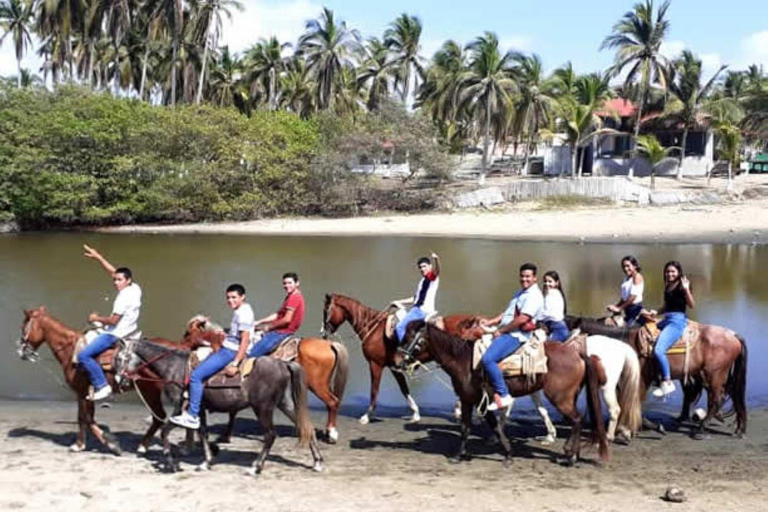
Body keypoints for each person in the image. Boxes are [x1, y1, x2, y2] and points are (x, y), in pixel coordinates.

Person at [170, 284, 254, 429]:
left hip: (230, 352)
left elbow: (245, 340)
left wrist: (235, 363)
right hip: (228, 345)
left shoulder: (243, 314)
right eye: (228, 297)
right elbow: (238, 335)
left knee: (196, 376)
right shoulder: (243, 309)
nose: (230, 300)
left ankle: (193, 415)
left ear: (242, 297)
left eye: (234, 297)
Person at [79, 244, 142, 401]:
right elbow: (113, 271)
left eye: (119, 280)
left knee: (83, 356)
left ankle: (102, 386)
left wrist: (96, 318)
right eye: (115, 280)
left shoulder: (122, 298)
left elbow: (113, 320)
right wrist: (99, 257)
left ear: (127, 280)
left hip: (115, 334)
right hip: (131, 329)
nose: (115, 282)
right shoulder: (135, 288)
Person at [480, 263, 544, 411]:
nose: (524, 279)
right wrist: (491, 321)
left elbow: (522, 319)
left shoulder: (534, 296)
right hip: (508, 329)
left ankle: (503, 394)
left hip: (517, 334)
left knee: (488, 359)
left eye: (528, 276)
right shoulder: (520, 293)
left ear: (534, 278)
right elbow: (507, 313)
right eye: (522, 276)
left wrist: (501, 332)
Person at [645, 261, 695, 398]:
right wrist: (656, 312)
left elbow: (691, 305)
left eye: (673, 271)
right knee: (645, 334)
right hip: (667, 319)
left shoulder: (683, 285)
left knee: (659, 350)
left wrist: (686, 290)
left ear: (679, 272)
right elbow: (667, 305)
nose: (670, 274)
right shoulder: (668, 285)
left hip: (677, 322)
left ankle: (667, 381)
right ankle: (656, 375)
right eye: (668, 271)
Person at [248, 273, 305, 357]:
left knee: (252, 354)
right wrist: (259, 322)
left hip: (282, 331)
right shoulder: (290, 296)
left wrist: (269, 326)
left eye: (290, 283)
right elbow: (277, 314)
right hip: (280, 329)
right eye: (284, 283)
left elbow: (287, 319)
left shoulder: (294, 298)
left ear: (297, 283)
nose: (286, 285)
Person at [393, 253, 440, 344]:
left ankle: (404, 350)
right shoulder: (423, 281)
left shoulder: (431, 278)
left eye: (424, 266)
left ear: (430, 266)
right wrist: (398, 301)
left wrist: (436, 260)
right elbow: (415, 299)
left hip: (422, 310)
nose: (422, 269)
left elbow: (437, 271)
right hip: (416, 309)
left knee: (400, 327)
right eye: (420, 267)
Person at [607, 256, 645, 326]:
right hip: (628, 311)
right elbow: (624, 298)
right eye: (623, 266)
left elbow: (632, 297)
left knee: (626, 332)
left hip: (636, 311)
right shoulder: (626, 278)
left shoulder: (637, 276)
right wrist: (615, 306)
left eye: (628, 266)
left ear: (635, 266)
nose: (625, 269)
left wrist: (620, 308)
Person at [541, 271, 570, 342]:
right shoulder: (557, 293)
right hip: (559, 327)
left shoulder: (552, 294)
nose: (547, 284)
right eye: (545, 281)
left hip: (557, 330)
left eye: (550, 281)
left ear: (556, 282)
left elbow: (548, 313)